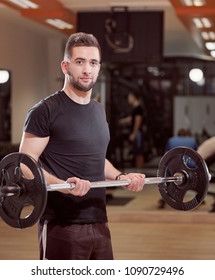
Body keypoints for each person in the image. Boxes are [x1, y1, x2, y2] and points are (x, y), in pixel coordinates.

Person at [19, 32, 146, 260]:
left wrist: (120, 178)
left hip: (99, 221)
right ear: (65, 66)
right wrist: (62, 185)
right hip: (61, 223)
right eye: (80, 62)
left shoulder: (98, 110)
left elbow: (97, 159)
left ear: (99, 67)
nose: (87, 69)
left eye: (93, 63)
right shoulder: (45, 111)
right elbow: (25, 165)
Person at [118, 91, 145, 168]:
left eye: (130, 97)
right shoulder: (136, 109)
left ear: (134, 97)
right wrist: (122, 121)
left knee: (139, 152)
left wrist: (134, 133)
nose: (128, 99)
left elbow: (137, 121)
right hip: (137, 132)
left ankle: (140, 169)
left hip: (138, 133)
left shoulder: (138, 108)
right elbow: (131, 119)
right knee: (137, 151)